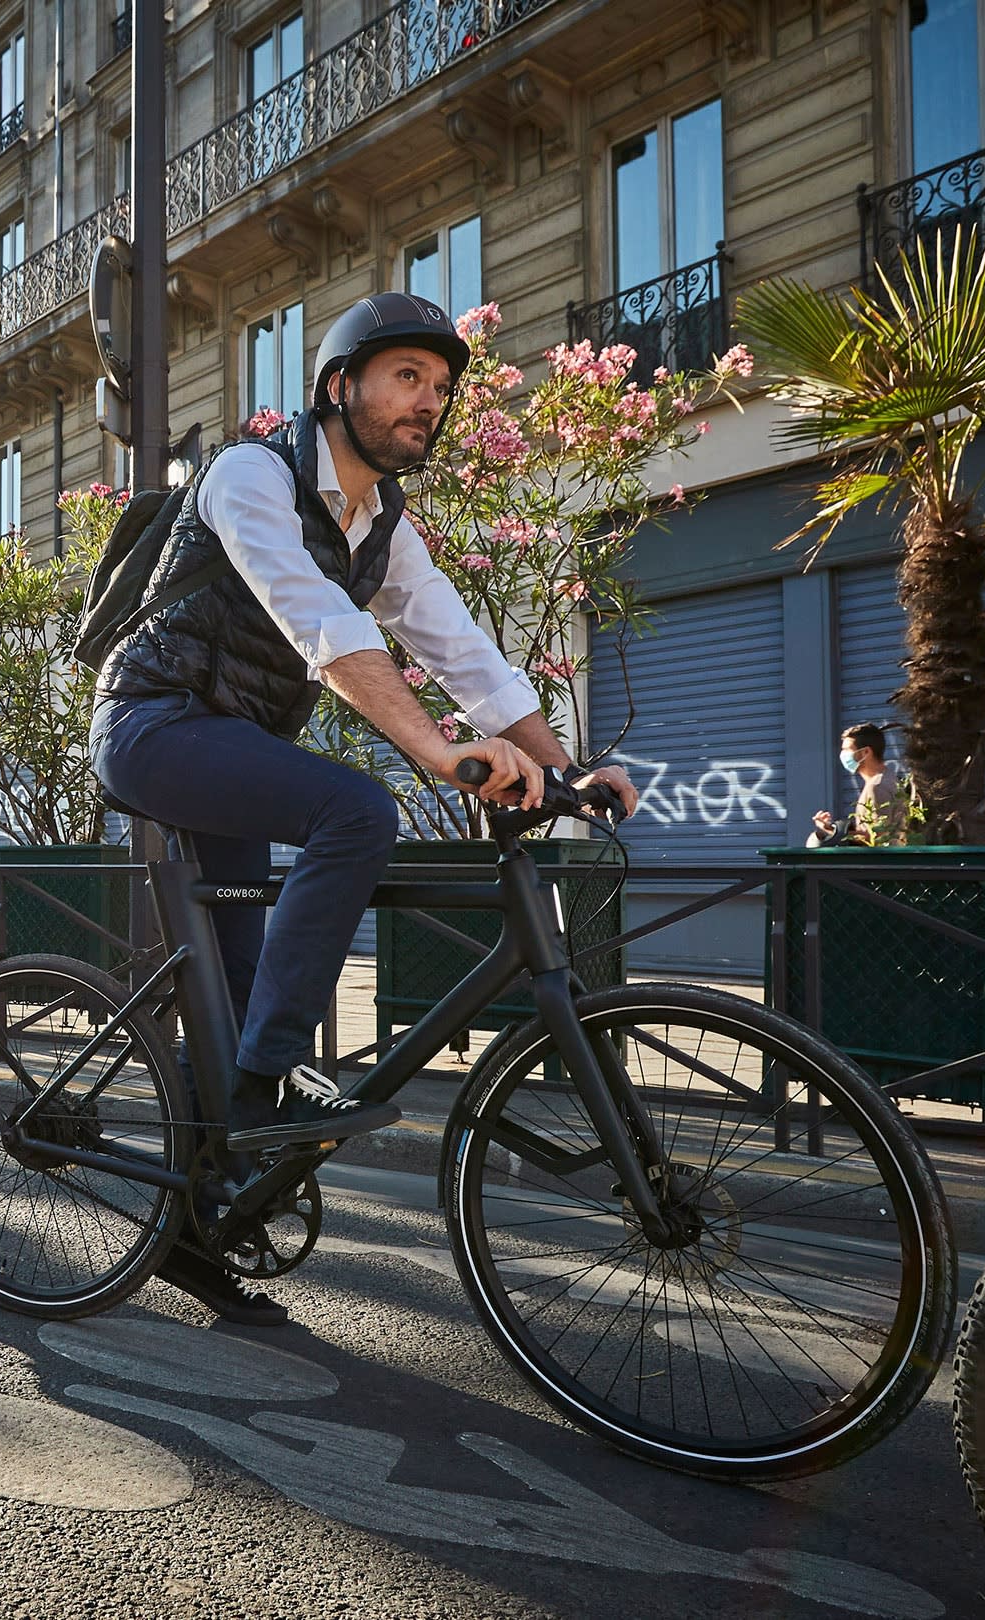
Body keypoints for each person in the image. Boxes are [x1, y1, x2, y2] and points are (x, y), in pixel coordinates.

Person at [91, 291, 641, 1326]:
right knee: (357, 813)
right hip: (152, 725)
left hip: (234, 750)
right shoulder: (251, 474)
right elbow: (315, 621)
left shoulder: (384, 528)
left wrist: (559, 769)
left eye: (440, 388)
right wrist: (435, 751)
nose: (428, 401)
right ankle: (271, 1091)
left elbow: (463, 652)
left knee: (248, 988)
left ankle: (202, 1218)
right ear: (338, 387)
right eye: (406, 379)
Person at [809, 723, 910, 847]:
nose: (843, 755)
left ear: (866, 752)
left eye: (847, 750)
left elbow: (875, 837)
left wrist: (830, 832)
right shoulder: (888, 779)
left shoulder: (876, 786)